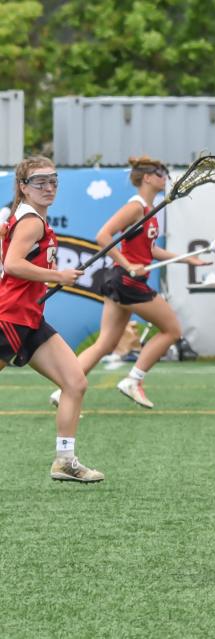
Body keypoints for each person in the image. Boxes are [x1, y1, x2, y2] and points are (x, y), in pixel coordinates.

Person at [50, 156, 208, 410]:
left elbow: (151, 250)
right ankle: (134, 380)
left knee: (105, 343)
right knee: (172, 330)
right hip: (127, 281)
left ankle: (64, 389)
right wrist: (128, 265)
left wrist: (187, 259)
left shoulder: (149, 209)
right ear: (146, 177)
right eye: (160, 172)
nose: (164, 176)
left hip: (120, 281)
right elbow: (103, 236)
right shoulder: (135, 206)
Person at [0, 156, 104, 482]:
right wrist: (56, 274)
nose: (48, 187)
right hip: (10, 317)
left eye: (53, 180)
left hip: (31, 318)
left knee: (75, 382)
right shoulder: (31, 222)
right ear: (23, 187)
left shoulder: (27, 218)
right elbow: (13, 264)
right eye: (39, 182)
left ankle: (65, 460)